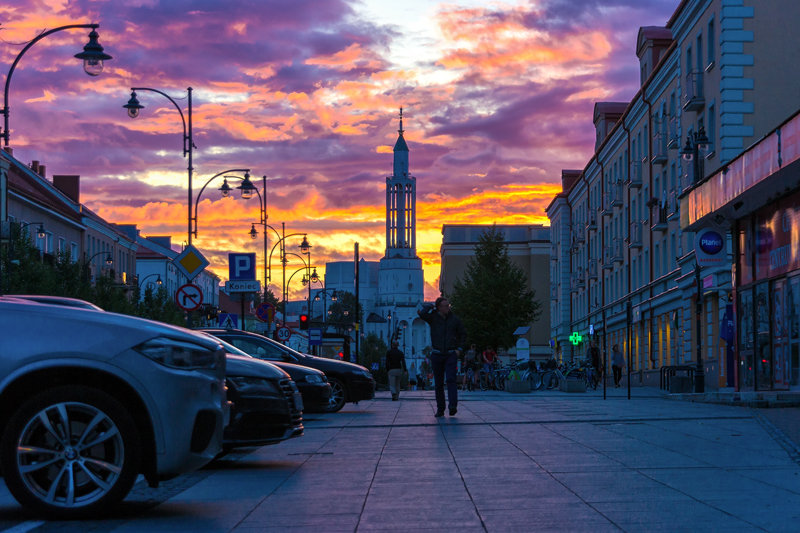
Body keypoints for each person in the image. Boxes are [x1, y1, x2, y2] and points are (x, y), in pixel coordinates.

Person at [418, 297, 466, 417]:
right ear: (439, 307)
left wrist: (459, 349)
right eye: (445, 306)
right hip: (437, 354)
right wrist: (430, 306)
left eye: (448, 305)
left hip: (450, 354)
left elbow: (463, 334)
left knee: (451, 380)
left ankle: (452, 406)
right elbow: (421, 314)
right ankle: (440, 409)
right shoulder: (433, 318)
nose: (447, 308)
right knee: (438, 383)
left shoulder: (454, 320)